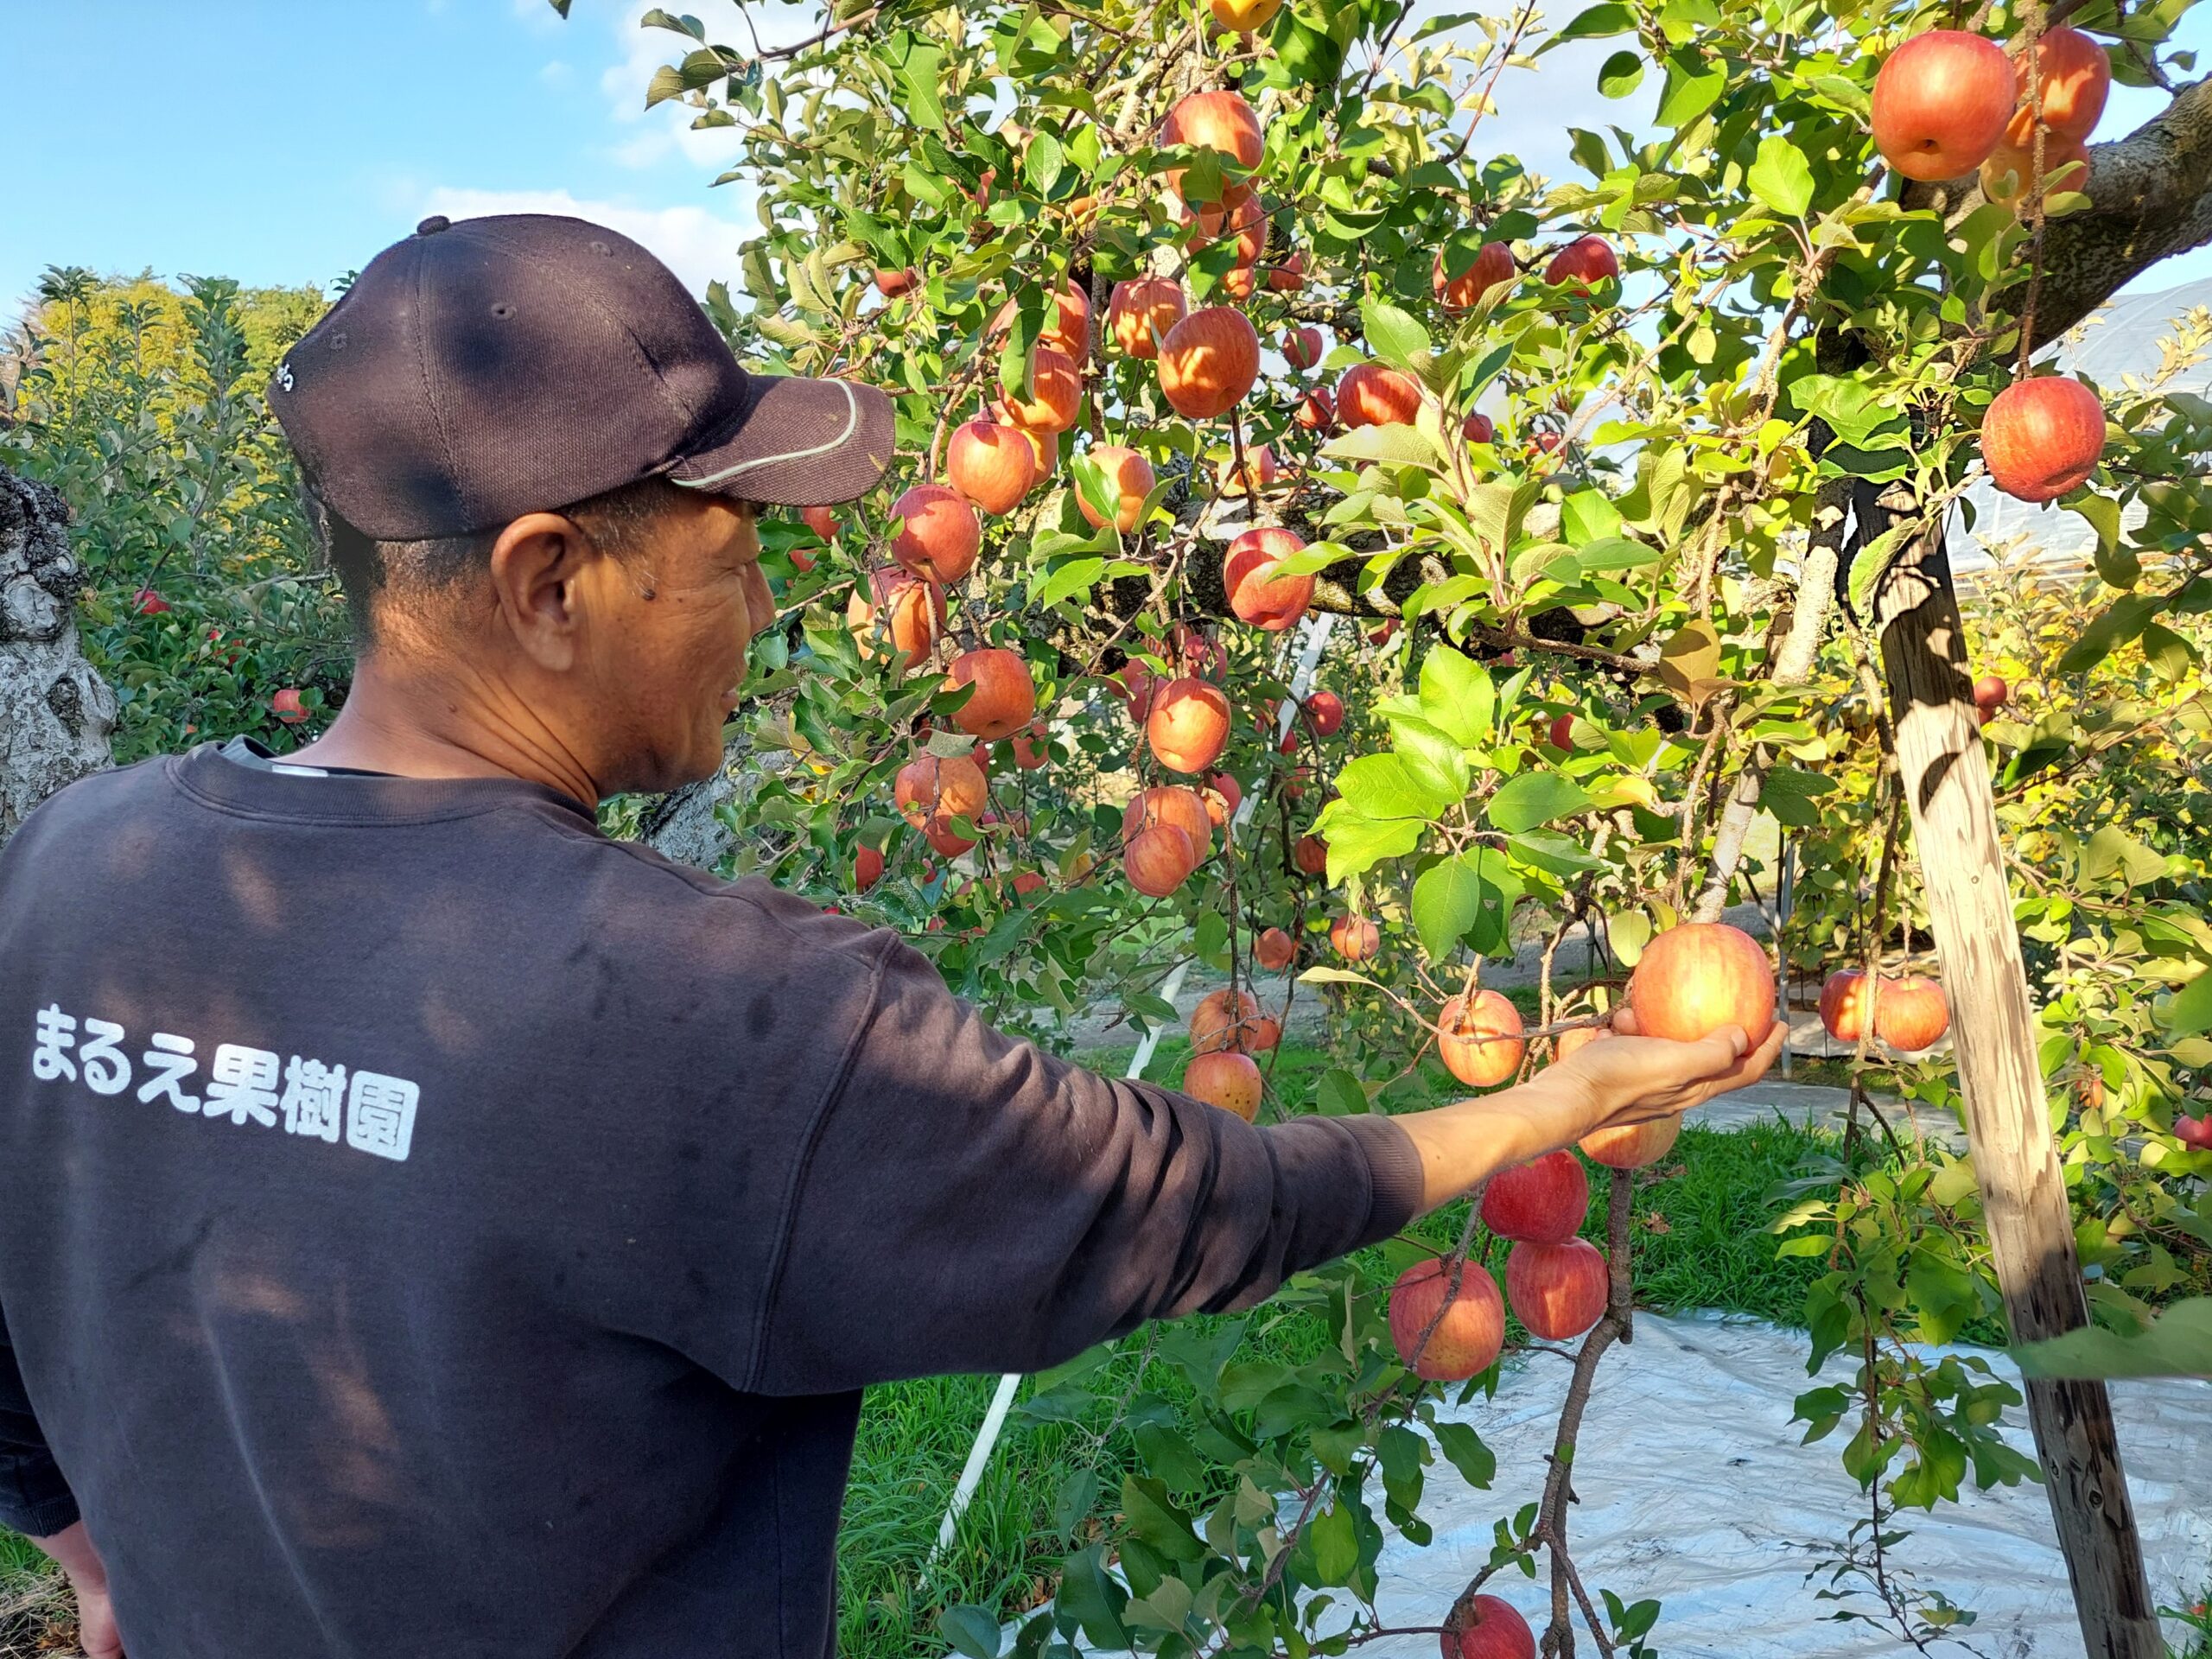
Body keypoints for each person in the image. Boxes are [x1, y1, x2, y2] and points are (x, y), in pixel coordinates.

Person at [0, 214, 1781, 1658]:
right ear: (550, 581)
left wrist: (82, 1550)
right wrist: (1555, 1099)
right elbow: (1188, 1208)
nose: (766, 602)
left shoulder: (77, 868)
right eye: (726, 548)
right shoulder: (712, 1014)